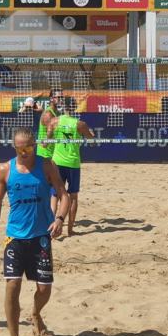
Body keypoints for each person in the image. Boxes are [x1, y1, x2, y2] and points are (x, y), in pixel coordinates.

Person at [0, 127, 70, 336]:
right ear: (14, 147)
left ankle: (35, 312)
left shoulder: (46, 165)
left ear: (35, 145)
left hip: (41, 236)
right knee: (12, 286)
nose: (24, 152)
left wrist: (60, 219)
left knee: (44, 288)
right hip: (15, 237)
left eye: (28, 147)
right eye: (20, 148)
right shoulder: (5, 170)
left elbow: (63, 195)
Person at [46, 97, 95, 236]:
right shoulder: (80, 124)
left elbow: (48, 140)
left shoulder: (54, 121)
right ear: (74, 107)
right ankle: (70, 230)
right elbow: (91, 141)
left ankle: (51, 226)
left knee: (55, 195)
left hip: (57, 162)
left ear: (62, 106)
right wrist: (91, 134)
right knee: (73, 196)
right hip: (73, 163)